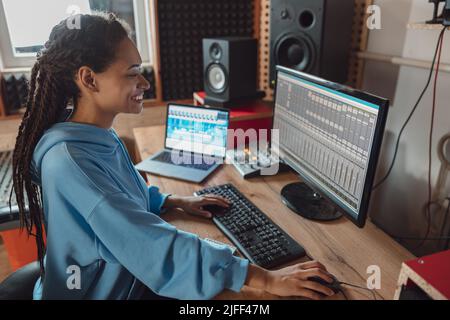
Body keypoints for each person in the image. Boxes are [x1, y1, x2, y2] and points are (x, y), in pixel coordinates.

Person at [12, 12, 336, 300]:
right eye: (132, 73)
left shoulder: (93, 135)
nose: (145, 82)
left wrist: (172, 202)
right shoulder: (71, 163)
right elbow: (150, 244)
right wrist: (264, 279)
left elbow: (121, 201)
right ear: (88, 79)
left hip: (122, 277)